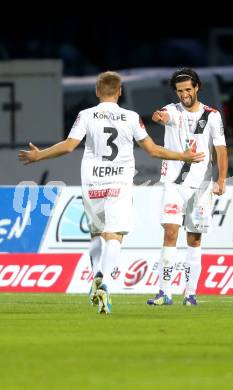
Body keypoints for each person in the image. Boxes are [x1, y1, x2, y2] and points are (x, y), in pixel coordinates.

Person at [18, 71, 204, 315]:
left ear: (97, 91)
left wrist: (39, 155)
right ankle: (104, 280)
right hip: (119, 183)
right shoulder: (131, 117)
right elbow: (152, 150)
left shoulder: (85, 115)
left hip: (92, 183)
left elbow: (69, 145)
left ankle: (96, 273)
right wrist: (183, 156)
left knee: (96, 233)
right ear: (119, 92)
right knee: (114, 235)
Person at [147, 68, 228, 306]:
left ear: (197, 88)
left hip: (201, 185)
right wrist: (158, 118)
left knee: (194, 239)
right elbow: (161, 116)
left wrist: (221, 180)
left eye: (188, 90)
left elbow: (221, 149)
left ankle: (190, 293)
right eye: (180, 90)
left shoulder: (212, 116)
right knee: (170, 232)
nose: (184, 94)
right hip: (173, 183)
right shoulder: (171, 111)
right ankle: (164, 292)